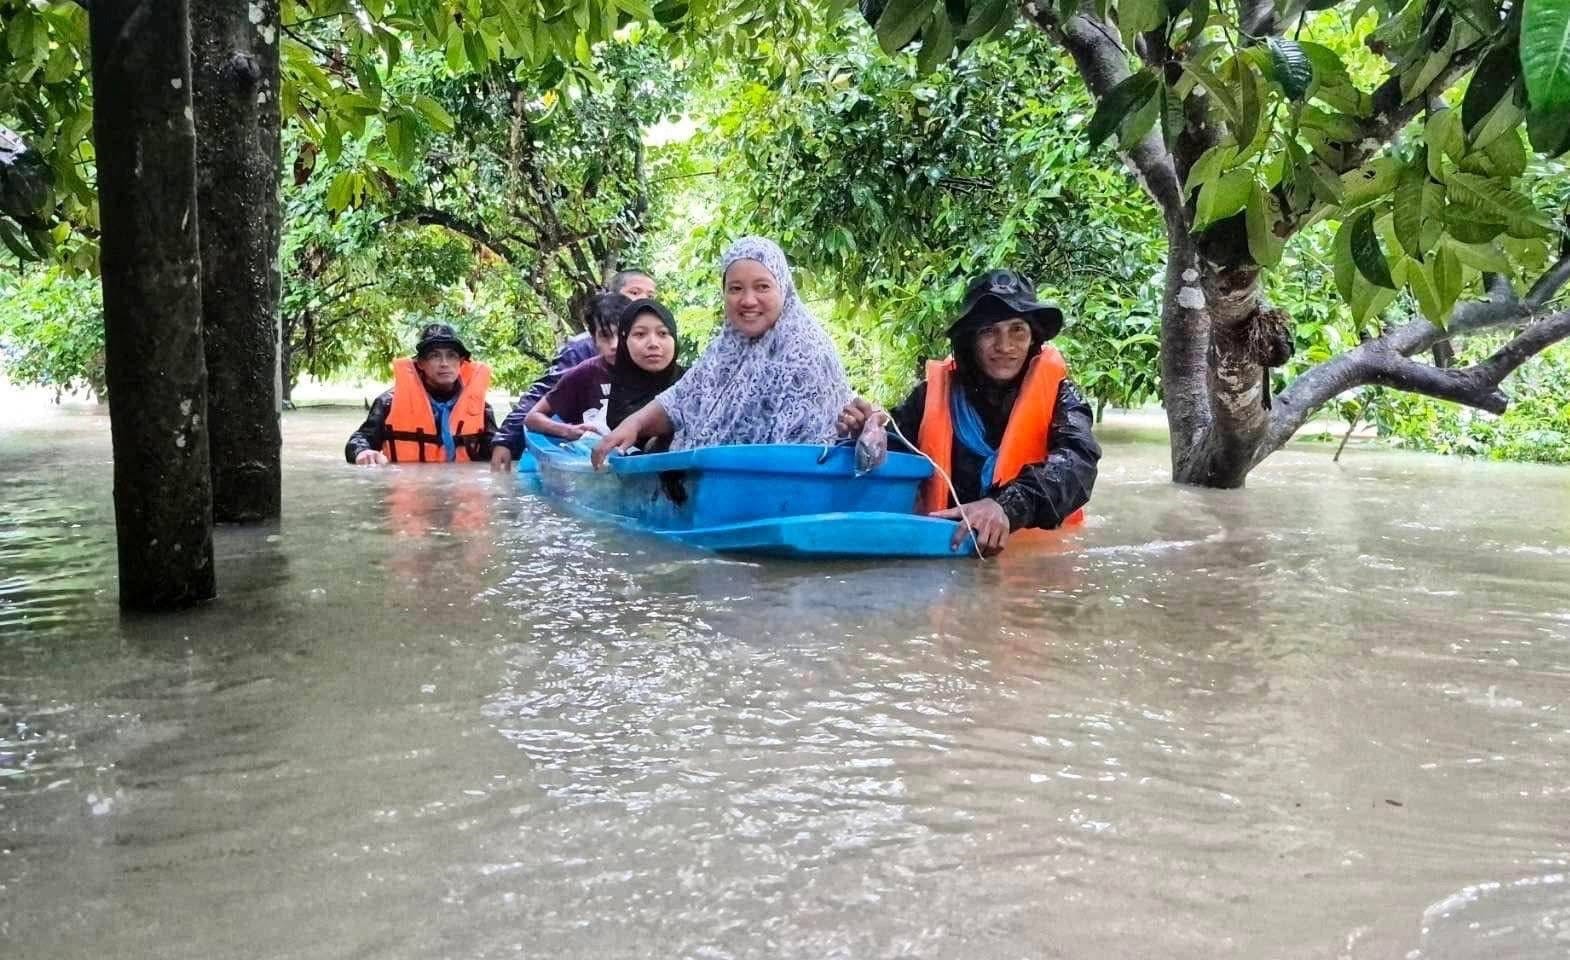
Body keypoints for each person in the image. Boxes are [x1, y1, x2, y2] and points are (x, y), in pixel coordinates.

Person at [838, 270, 1100, 555]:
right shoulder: (928, 397)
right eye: (989, 331)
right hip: (947, 548)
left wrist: (1006, 506)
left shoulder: (1063, 397)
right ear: (970, 340)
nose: (1005, 346)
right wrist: (865, 436)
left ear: (1033, 338)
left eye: (1017, 330)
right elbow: (896, 454)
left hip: (1037, 557)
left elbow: (1077, 464)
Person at [591, 237, 851, 465]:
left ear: (783, 288)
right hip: (706, 488)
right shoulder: (726, 348)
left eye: (762, 287)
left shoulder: (806, 352)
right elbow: (682, 399)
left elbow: (798, 452)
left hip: (778, 492)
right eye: (735, 289)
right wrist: (633, 425)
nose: (748, 301)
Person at [490, 270, 656, 470]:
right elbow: (539, 399)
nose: (643, 301)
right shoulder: (581, 355)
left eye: (650, 296)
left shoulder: (654, 356)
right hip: (592, 454)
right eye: (635, 292)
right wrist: (506, 439)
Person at [345, 323, 498, 465]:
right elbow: (360, 439)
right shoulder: (388, 402)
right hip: (408, 489)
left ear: (461, 362)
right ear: (421, 363)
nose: (444, 363)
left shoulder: (479, 407)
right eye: (434, 356)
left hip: (460, 489)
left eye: (451, 355)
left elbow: (496, 449)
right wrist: (362, 452)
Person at [522, 292, 632, 441]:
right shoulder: (585, 373)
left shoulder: (653, 371)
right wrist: (567, 430)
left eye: (623, 335)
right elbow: (532, 418)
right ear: (593, 339)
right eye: (605, 336)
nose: (614, 345)